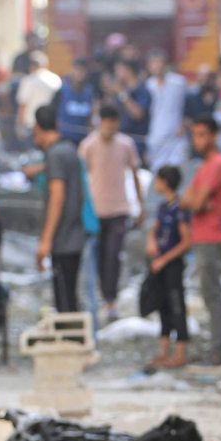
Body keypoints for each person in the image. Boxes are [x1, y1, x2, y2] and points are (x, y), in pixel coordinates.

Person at [79, 105, 145, 322]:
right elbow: (81, 179)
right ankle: (101, 298)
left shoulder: (126, 144)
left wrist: (140, 206)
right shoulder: (88, 145)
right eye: (107, 122)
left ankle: (110, 302)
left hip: (119, 210)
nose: (111, 127)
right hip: (96, 212)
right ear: (100, 122)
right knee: (98, 257)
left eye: (114, 122)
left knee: (113, 256)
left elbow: (135, 175)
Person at [180, 116, 221, 365]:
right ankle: (217, 348)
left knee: (212, 294)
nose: (197, 140)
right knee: (209, 294)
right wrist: (198, 201)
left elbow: (195, 202)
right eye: (194, 134)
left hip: (211, 237)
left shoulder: (217, 165)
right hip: (202, 236)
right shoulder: (204, 166)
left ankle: (219, 351)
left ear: (214, 136)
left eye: (202, 134)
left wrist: (200, 201)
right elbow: (186, 200)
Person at [33, 105, 87, 313]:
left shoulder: (54, 155)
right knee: (70, 297)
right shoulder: (69, 149)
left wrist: (46, 240)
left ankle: (70, 342)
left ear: (37, 128)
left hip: (63, 241)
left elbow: (57, 196)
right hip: (75, 235)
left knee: (64, 301)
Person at [144, 165, 191, 368]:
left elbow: (187, 241)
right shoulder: (163, 207)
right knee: (162, 306)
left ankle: (180, 353)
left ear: (165, 182)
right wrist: (151, 241)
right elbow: (154, 230)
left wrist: (165, 259)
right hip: (159, 266)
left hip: (172, 266)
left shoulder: (179, 208)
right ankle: (164, 352)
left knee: (176, 306)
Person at [146, 50, 189, 168]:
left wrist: (185, 124)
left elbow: (189, 104)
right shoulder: (148, 85)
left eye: (160, 62)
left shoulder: (179, 82)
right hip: (155, 137)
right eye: (154, 63)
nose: (157, 66)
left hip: (176, 136)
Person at [15, 51, 61, 145]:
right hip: (51, 128)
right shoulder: (56, 80)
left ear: (31, 66)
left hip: (33, 128)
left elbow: (23, 106)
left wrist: (19, 127)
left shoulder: (28, 81)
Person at [111, 61, 151, 164]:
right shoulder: (121, 90)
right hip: (120, 143)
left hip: (137, 145)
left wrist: (122, 94)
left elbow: (138, 113)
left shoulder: (142, 91)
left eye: (118, 70)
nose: (116, 73)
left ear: (128, 71)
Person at [57, 57, 96, 146]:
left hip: (83, 141)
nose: (80, 73)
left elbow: (91, 117)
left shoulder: (89, 92)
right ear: (72, 70)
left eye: (82, 70)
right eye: (77, 70)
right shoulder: (62, 91)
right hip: (64, 140)